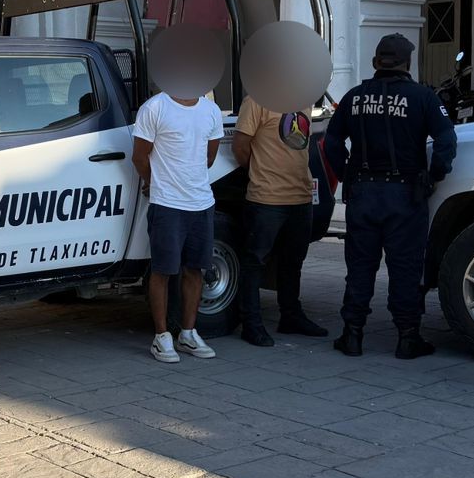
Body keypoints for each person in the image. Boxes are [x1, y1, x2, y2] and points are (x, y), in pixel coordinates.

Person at [326, 33, 457, 359]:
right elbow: (446, 140)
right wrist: (435, 175)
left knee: (360, 265)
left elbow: (332, 142)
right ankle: (407, 337)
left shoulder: (354, 97)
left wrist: (346, 174)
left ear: (376, 62)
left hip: (363, 193)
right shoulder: (423, 97)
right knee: (405, 267)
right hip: (405, 195)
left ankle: (352, 334)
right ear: (407, 63)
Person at [132, 84, 225, 363]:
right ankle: (161, 337)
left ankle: (188, 333)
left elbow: (209, 157)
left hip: (201, 203)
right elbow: (139, 156)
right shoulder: (155, 108)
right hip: (167, 205)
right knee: (162, 271)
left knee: (195, 270)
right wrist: (155, 182)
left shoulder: (211, 110)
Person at [233, 96, 328, 346]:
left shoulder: (303, 99)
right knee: (255, 262)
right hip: (266, 197)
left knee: (292, 262)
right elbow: (240, 146)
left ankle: (291, 315)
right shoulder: (256, 100)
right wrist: (260, 173)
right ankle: (251, 323)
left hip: (301, 195)